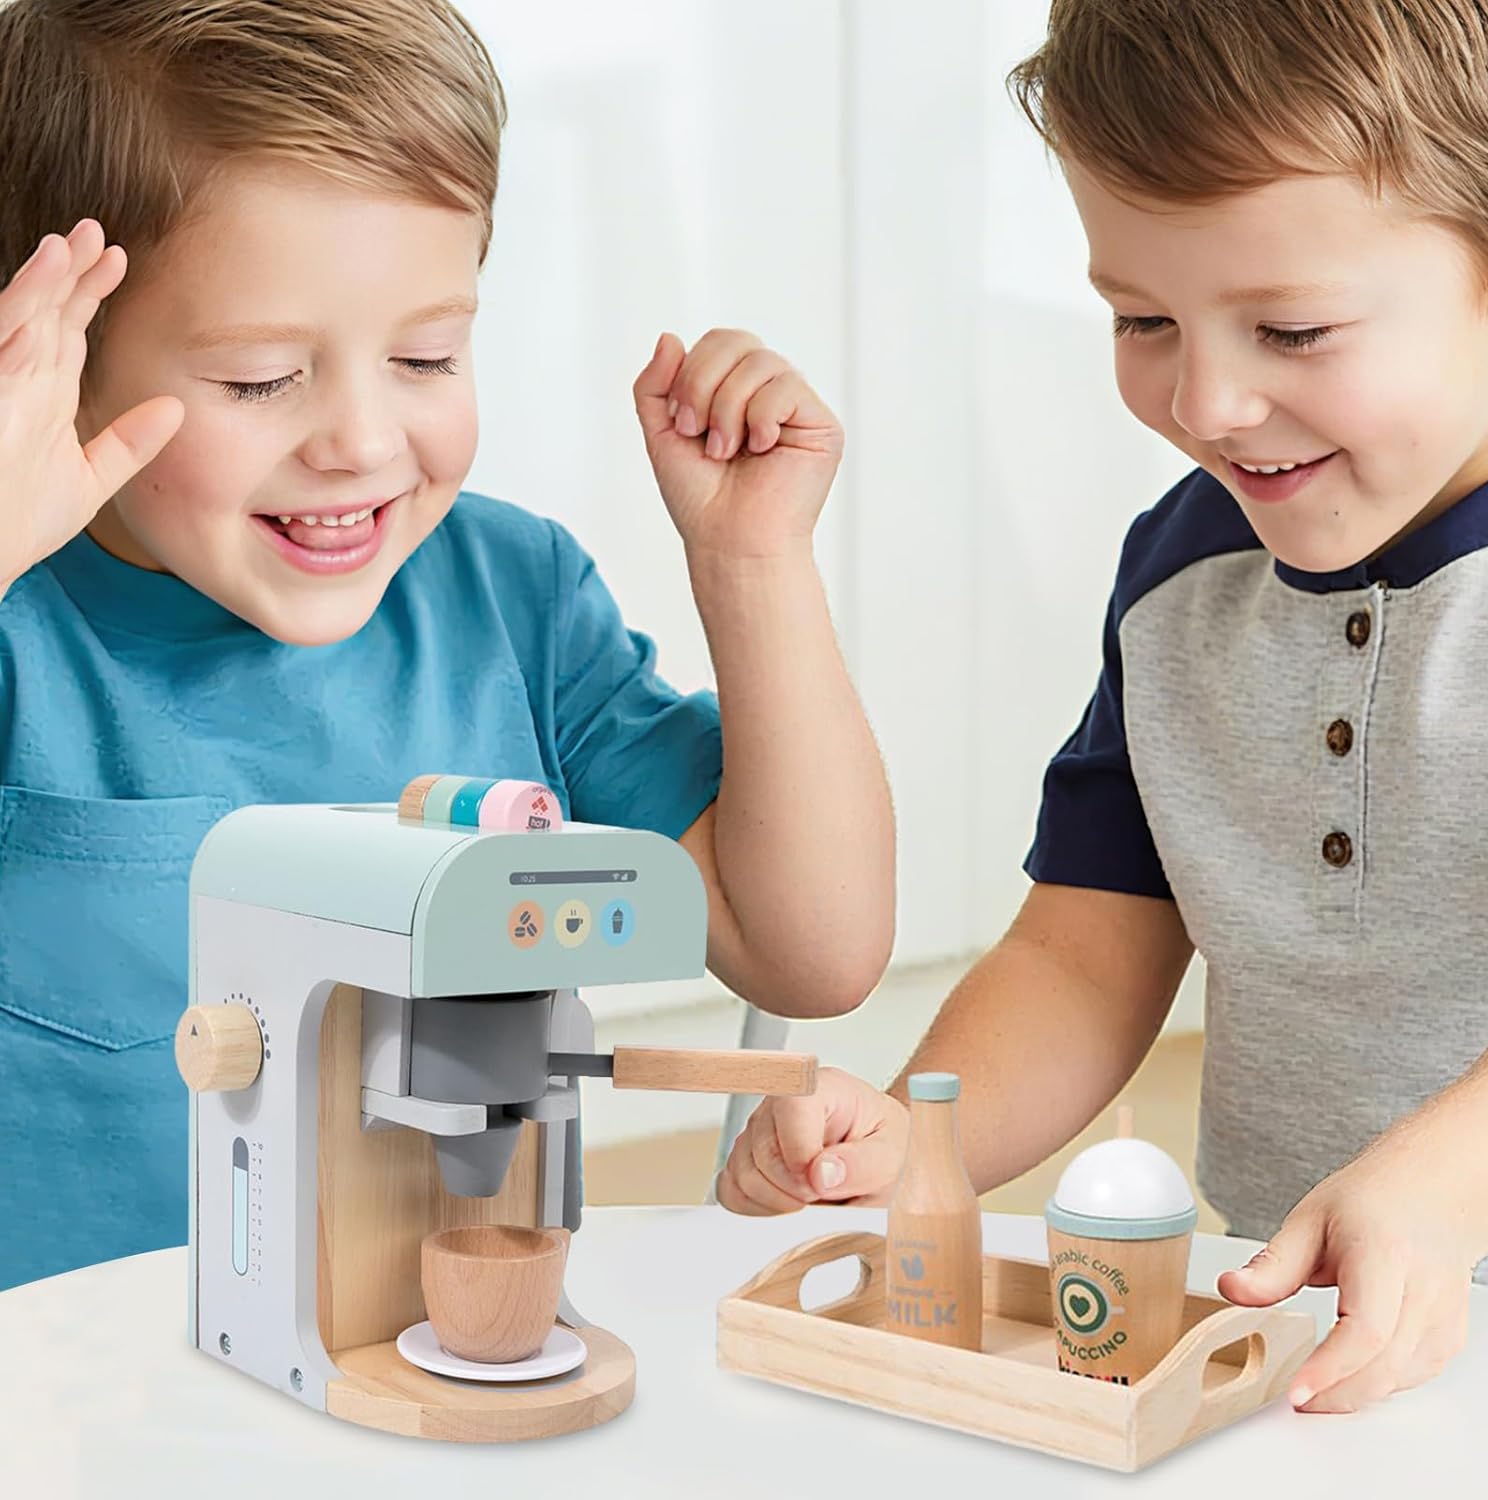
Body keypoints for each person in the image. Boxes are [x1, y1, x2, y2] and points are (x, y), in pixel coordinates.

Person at [0, 0, 895, 1291]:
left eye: (426, 357)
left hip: (451, 1359)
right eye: (260, 378)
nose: (363, 441)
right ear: (52, 352)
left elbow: (813, 950)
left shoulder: (515, 599)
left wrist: (753, 565)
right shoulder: (23, 621)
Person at [718, 0, 1488, 1415]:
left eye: (1293, 328)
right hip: (1297, 1336)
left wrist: (1447, 1190)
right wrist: (918, 1142)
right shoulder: (1186, 573)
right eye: (1143, 319)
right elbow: (1083, 956)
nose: (1207, 402)